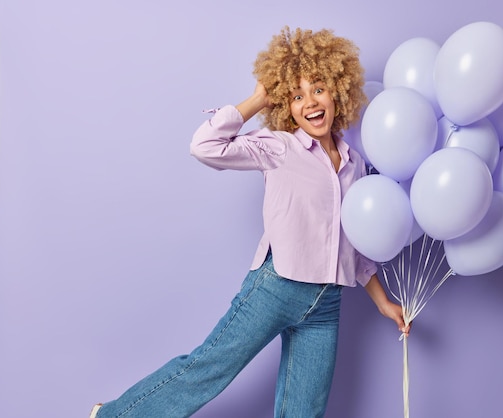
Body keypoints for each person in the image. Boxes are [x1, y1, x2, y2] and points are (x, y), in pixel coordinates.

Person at [90, 26, 410, 418]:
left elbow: (355, 244)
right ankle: (113, 415)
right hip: (276, 288)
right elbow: (204, 146)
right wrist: (258, 98)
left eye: (319, 89)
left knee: (305, 410)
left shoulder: (355, 164)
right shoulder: (280, 146)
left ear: (338, 92)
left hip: (327, 303)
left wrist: (383, 302)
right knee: (207, 370)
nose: (310, 102)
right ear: (286, 106)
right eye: (296, 95)